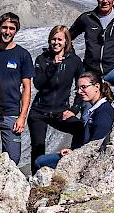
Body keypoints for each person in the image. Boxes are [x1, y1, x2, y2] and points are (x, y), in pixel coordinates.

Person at [28, 26, 85, 173]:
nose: (56, 42)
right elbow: (38, 84)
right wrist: (52, 66)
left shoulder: (75, 61)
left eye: (60, 39)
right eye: (53, 39)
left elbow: (81, 87)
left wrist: (74, 109)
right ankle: (36, 180)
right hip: (39, 112)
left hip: (60, 111)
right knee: (38, 148)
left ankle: (72, 167)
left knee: (80, 129)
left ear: (66, 41)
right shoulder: (42, 59)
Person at [34, 71, 114, 170]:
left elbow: (96, 143)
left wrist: (74, 154)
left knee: (40, 162)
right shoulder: (98, 108)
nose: (79, 91)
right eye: (77, 88)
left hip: (87, 160)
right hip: (81, 153)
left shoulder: (103, 112)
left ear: (97, 87)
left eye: (83, 87)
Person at [0, 12, 33, 164]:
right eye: (4, 27)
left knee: (13, 159)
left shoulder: (23, 55)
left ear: (16, 30)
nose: (7, 31)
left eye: (12, 28)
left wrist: (22, 116)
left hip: (11, 114)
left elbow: (26, 87)